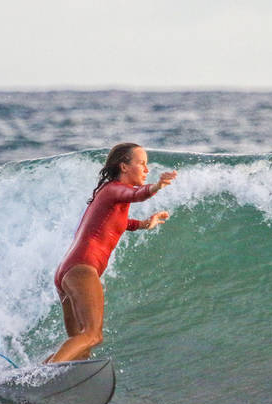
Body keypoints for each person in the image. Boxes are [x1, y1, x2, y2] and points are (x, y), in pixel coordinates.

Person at [47, 143, 176, 363]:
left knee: (81, 348)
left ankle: (32, 378)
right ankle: (44, 375)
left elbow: (116, 223)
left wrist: (145, 223)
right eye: (142, 163)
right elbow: (138, 195)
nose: (146, 169)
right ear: (124, 167)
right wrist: (156, 187)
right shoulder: (114, 189)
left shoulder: (108, 196)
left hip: (67, 271)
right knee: (93, 335)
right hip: (82, 268)